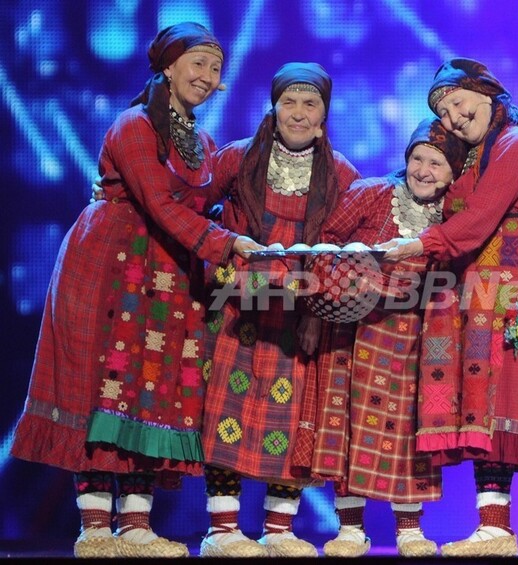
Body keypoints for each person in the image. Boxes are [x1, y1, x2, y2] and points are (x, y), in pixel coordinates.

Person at [10, 22, 264, 558]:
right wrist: (224, 243)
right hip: (111, 263)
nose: (207, 76)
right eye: (198, 63)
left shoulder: (203, 143)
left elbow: (200, 203)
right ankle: (95, 528)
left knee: (153, 386)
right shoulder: (134, 125)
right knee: (99, 384)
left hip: (169, 275)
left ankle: (136, 525)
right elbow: (159, 202)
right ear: (168, 66)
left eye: (216, 68)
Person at [379, 58, 518, 558]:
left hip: (509, 291)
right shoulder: (471, 154)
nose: (453, 119)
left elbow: (478, 218)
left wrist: (418, 245)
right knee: (485, 413)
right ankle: (493, 527)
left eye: (456, 103)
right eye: (443, 113)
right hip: (472, 295)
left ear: (487, 94)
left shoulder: (517, 142)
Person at [198, 62, 362, 558]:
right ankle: (223, 531)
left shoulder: (341, 175)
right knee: (225, 413)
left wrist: (317, 313)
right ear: (272, 108)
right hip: (236, 311)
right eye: (289, 101)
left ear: (324, 116)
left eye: (310, 103)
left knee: (290, 420)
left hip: (297, 317)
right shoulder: (237, 159)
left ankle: (279, 529)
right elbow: (188, 207)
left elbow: (347, 251)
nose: (298, 112)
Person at [301, 117, 467, 557]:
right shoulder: (372, 193)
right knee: (348, 426)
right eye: (417, 159)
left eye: (436, 163)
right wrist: (331, 299)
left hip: (418, 337)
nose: (423, 171)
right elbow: (324, 245)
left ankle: (409, 529)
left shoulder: (457, 214)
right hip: (355, 331)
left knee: (411, 427)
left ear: (454, 172)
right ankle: (350, 528)